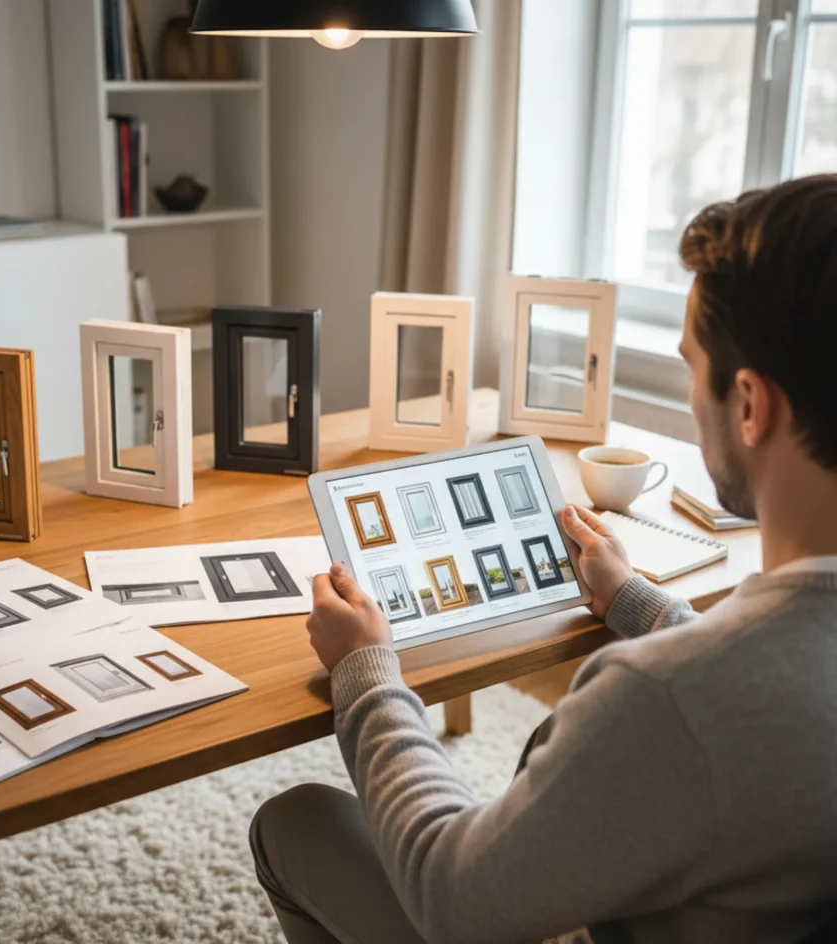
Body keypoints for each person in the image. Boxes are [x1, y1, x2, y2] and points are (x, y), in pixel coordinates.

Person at [249, 175, 837, 944]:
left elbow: (448, 893)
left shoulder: (663, 701)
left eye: (691, 366)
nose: (694, 395)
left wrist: (366, 669)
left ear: (752, 405)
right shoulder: (725, 684)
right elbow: (769, 675)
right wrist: (637, 600)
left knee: (293, 822)